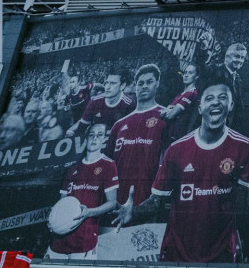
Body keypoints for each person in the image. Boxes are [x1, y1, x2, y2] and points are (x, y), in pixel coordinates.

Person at [115, 80, 249, 263]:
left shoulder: (244, 147)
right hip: (177, 254)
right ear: (200, 108)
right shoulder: (176, 150)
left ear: (230, 106)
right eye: (209, 98)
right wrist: (133, 212)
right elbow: (156, 201)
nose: (216, 102)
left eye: (222, 97)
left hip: (221, 255)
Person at [47, 122, 118, 260]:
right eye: (91, 135)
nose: (95, 138)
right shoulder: (72, 169)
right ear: (86, 139)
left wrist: (89, 212)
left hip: (84, 243)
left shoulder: (108, 165)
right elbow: (61, 203)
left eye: (99, 135)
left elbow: (112, 203)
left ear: (104, 139)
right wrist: (53, 217)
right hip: (58, 241)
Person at [107, 63, 166, 208]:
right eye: (140, 83)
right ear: (135, 86)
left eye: (149, 82)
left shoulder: (165, 117)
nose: (144, 86)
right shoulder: (119, 125)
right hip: (115, 203)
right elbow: (108, 166)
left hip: (147, 204)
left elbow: (167, 163)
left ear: (157, 84)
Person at [66, 66, 134, 137]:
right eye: (107, 83)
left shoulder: (129, 104)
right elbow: (82, 127)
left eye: (112, 83)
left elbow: (131, 132)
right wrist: (71, 130)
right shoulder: (95, 101)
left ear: (122, 86)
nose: (107, 87)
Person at [161, 62, 200, 141]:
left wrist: (169, 110)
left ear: (196, 76)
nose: (186, 75)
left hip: (176, 136)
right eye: (185, 72)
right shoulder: (181, 94)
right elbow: (163, 113)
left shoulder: (191, 93)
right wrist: (169, 110)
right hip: (168, 133)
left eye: (190, 73)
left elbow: (170, 115)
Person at [217, 43, 247, 128]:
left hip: (229, 125)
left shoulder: (238, 79)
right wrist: (204, 50)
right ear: (227, 57)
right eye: (237, 56)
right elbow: (203, 68)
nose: (240, 60)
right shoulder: (216, 72)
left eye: (242, 58)